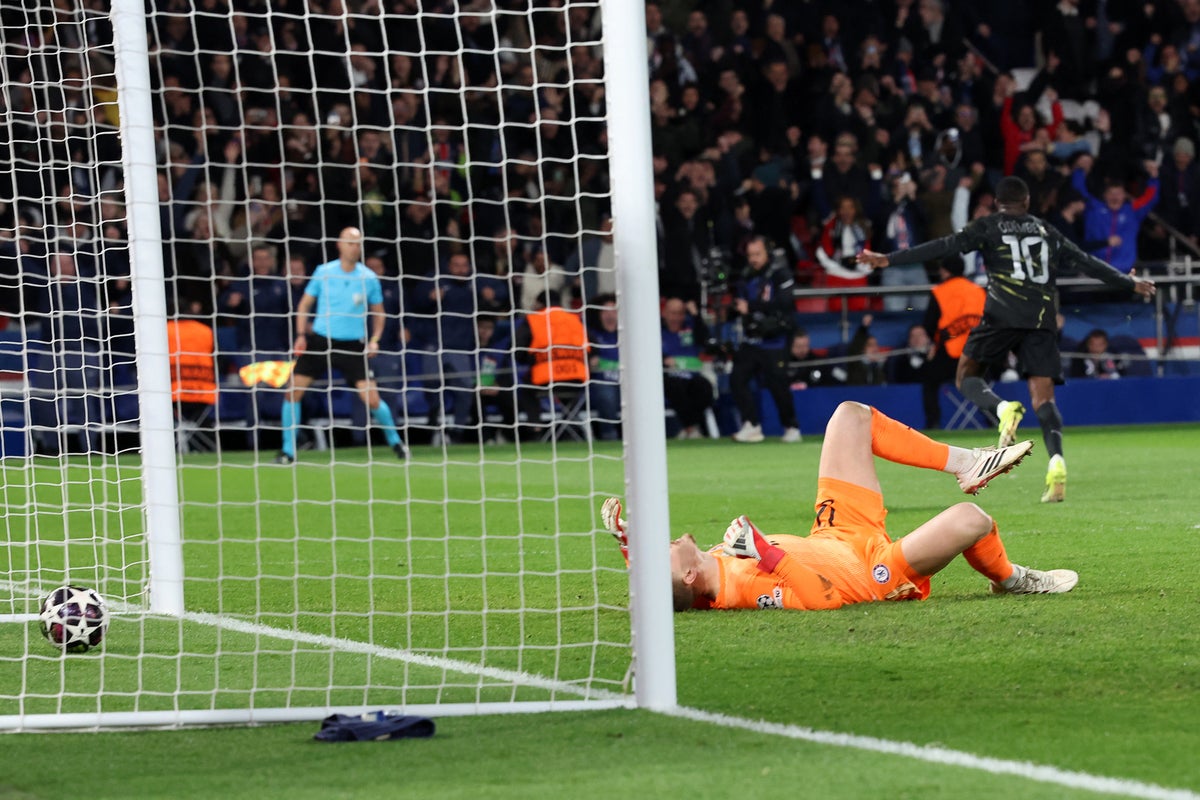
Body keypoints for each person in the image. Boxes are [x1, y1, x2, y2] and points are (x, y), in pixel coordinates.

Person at [602, 402, 1075, 612]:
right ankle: (1011, 579)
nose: (662, 544)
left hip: (837, 531)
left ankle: (967, 463)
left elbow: (663, 592)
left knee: (849, 416)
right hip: (873, 572)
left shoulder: (705, 568)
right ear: (688, 576)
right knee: (971, 520)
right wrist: (766, 553)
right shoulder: (740, 589)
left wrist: (627, 544)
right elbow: (823, 600)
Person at [857, 176, 1157, 503]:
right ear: (1026, 202)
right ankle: (1056, 461)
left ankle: (1002, 409)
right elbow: (1085, 261)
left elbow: (945, 246)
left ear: (999, 203)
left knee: (966, 376)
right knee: (1044, 398)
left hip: (1001, 316)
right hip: (1041, 319)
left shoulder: (989, 226)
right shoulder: (1045, 230)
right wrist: (1129, 283)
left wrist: (889, 258)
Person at [275, 227, 407, 464]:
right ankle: (288, 452)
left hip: (352, 346)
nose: (354, 248)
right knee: (292, 392)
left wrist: (375, 340)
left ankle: (396, 442)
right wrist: (301, 335)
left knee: (372, 399)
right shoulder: (324, 272)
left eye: (358, 243)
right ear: (339, 244)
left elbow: (379, 313)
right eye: (350, 243)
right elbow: (304, 305)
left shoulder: (368, 278)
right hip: (320, 341)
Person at [729, 236, 801, 443]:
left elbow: (785, 303)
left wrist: (751, 307)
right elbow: (740, 304)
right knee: (737, 379)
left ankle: (791, 426)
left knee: (778, 385)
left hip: (775, 339)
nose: (753, 259)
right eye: (750, 255)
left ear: (767, 253)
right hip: (752, 339)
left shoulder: (780, 273)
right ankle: (751, 424)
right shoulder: (746, 275)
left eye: (757, 254)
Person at [918, 257, 986, 428]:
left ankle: (933, 422)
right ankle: (994, 419)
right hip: (977, 353)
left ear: (945, 270)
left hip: (949, 353)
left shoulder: (939, 291)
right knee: (979, 383)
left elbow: (929, 324)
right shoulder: (979, 290)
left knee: (929, 381)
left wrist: (934, 344)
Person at [514, 290, 589, 440]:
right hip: (577, 379)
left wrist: (531, 360)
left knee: (526, 390)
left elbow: (518, 350)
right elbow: (592, 346)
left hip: (546, 379)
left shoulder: (533, 319)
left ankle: (536, 426)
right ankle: (569, 426)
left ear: (539, 303)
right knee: (570, 399)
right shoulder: (574, 319)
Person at [660, 296, 715, 440]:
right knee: (675, 387)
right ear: (664, 313)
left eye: (680, 313)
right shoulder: (656, 330)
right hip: (667, 376)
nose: (676, 317)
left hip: (692, 375)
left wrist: (696, 315)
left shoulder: (691, 327)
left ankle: (689, 428)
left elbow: (706, 341)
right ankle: (691, 428)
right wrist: (663, 360)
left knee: (704, 388)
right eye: (673, 313)